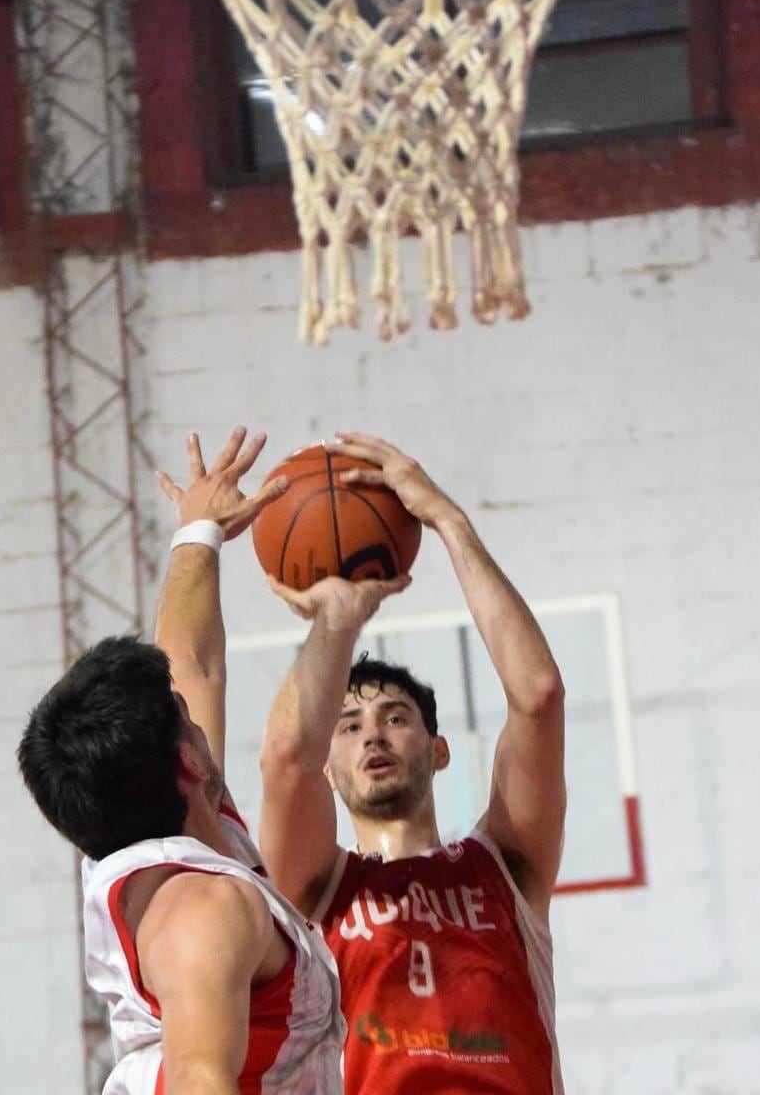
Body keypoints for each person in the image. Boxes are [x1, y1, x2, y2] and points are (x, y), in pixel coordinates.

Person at [18, 428, 387, 1094]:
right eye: (185, 718)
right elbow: (198, 1081)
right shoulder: (200, 909)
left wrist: (199, 531)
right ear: (187, 760)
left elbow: (190, 659)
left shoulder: (162, 825)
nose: (194, 712)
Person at [259, 432, 569, 1094]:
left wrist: (448, 523)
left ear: (437, 750)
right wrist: (335, 622)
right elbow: (285, 754)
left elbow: (538, 696)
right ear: (328, 765)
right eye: (348, 726)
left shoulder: (504, 868)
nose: (373, 734)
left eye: (395, 717)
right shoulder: (312, 889)